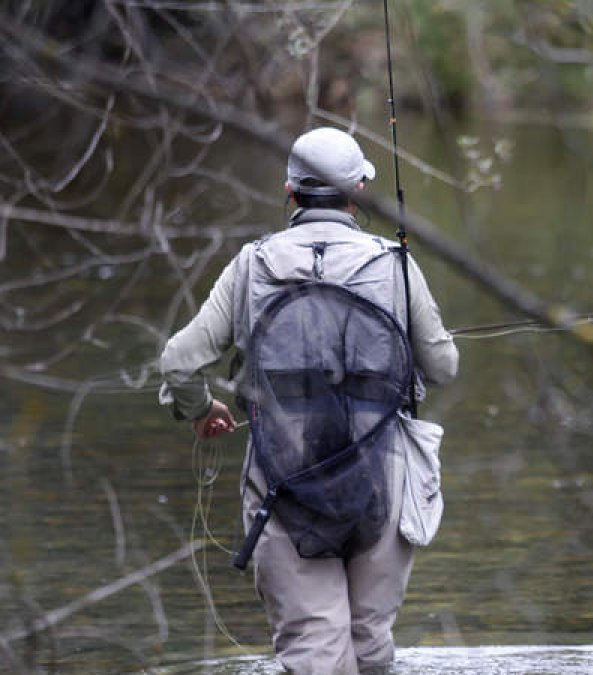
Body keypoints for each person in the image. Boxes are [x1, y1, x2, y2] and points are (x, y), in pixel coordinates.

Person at [158, 127, 458, 674]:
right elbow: (443, 367)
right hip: (382, 483)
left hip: (283, 481)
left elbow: (179, 361)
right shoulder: (395, 264)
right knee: (369, 644)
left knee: (315, 650)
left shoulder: (252, 265)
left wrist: (201, 410)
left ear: (290, 193)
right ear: (359, 191)